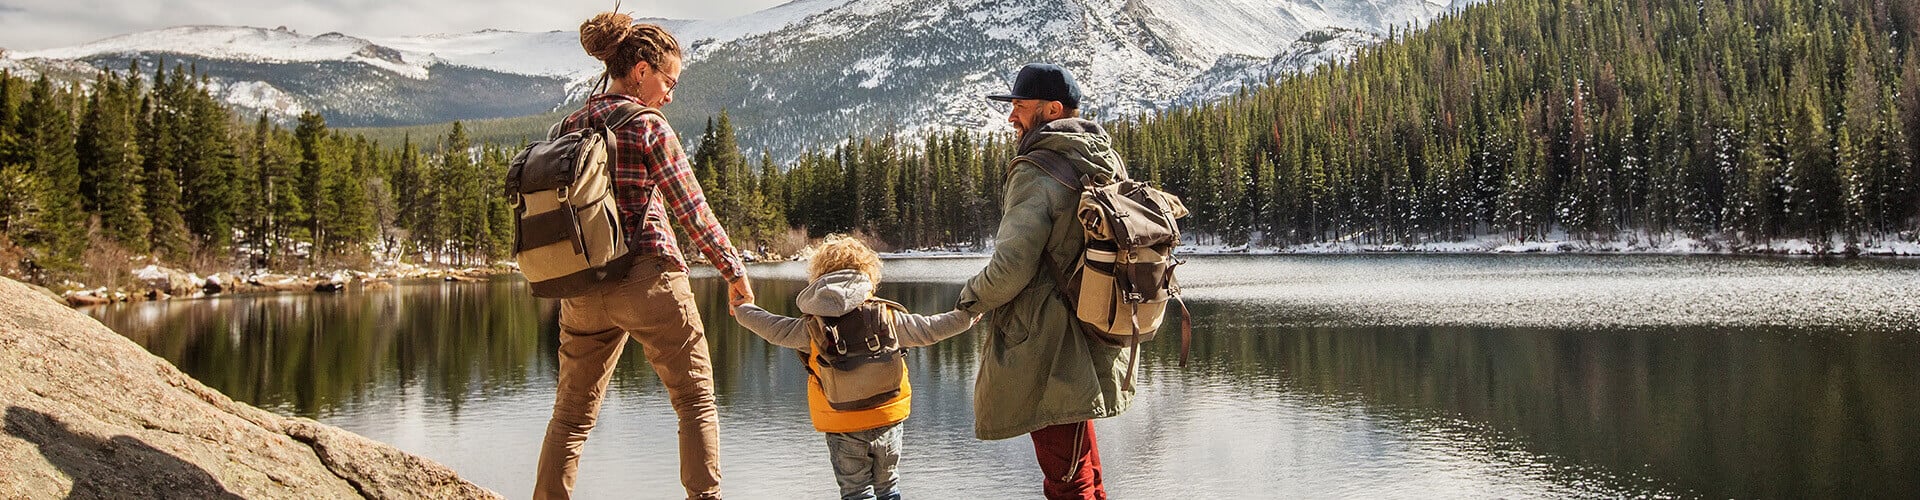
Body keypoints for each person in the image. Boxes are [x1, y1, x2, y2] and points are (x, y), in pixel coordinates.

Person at [534, 11, 755, 500]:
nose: (670, 94)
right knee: (694, 399)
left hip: (582, 288)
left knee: (570, 417)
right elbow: (692, 210)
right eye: (668, 80)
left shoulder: (569, 123)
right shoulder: (648, 124)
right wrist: (733, 271)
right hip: (648, 277)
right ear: (640, 70)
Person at [959, 63, 1133, 500]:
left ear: (1052, 109)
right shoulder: (1102, 157)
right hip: (1097, 327)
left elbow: (1010, 269)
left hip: (1047, 344)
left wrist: (970, 298)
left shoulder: (1036, 168)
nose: (1012, 116)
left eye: (1020, 106)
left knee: (1065, 477)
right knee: (1084, 467)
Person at [732, 237, 978, 500]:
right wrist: (967, 317)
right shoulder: (887, 317)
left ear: (818, 275)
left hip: (842, 422)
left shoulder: (813, 328)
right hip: (887, 415)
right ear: (868, 272)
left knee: (856, 492)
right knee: (888, 488)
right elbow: (931, 329)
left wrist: (741, 309)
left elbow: (773, 328)